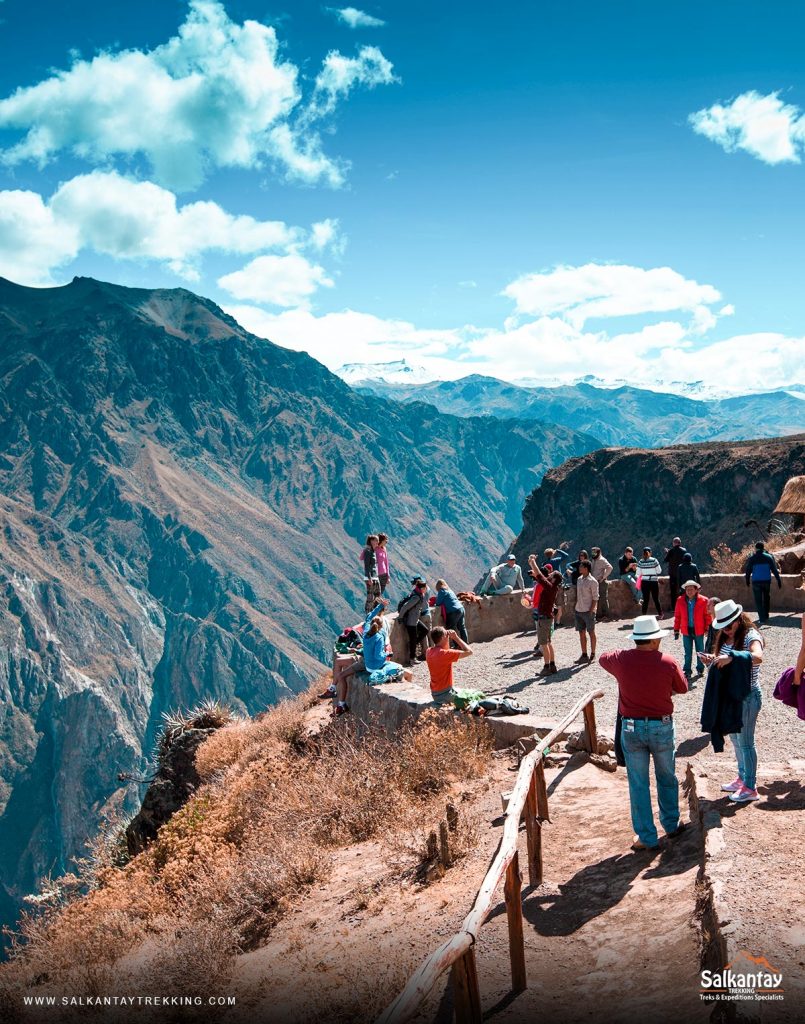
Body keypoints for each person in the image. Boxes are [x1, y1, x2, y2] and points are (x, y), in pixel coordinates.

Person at [600, 616, 688, 851]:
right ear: (656, 640)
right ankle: (671, 824)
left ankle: (646, 837)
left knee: (638, 783)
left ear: (636, 639)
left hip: (631, 727)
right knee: (666, 776)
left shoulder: (621, 660)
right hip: (661, 726)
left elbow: (602, 657)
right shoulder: (668, 662)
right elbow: (683, 688)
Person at [700, 600, 764, 803]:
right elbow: (726, 660)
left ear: (738, 620)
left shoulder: (751, 636)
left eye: (728, 626)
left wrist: (733, 658)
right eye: (722, 627)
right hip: (733, 697)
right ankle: (743, 778)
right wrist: (714, 658)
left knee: (746, 743)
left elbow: (758, 656)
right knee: (736, 741)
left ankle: (750, 787)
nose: (725, 631)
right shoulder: (728, 638)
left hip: (747, 695)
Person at [333, 600, 413, 716]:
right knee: (404, 671)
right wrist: (387, 655)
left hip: (366, 664)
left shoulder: (365, 634)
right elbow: (378, 656)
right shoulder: (379, 637)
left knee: (343, 674)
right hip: (375, 667)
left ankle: (339, 701)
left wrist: (380, 606)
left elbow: (369, 616)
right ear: (381, 627)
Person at [528, 555, 562, 675]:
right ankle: (552, 665)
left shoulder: (549, 587)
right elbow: (540, 577)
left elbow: (539, 576)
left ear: (553, 580)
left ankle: (546, 667)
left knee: (543, 643)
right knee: (548, 642)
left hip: (543, 618)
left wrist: (532, 562)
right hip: (549, 617)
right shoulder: (553, 588)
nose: (549, 575)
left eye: (551, 576)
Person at [673, 581, 711, 682]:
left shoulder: (704, 600)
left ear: (696, 590)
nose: (689, 591)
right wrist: (676, 630)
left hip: (699, 630)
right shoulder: (680, 600)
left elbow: (707, 617)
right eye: (687, 589)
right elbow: (677, 616)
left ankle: (700, 669)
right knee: (687, 652)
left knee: (700, 651)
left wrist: (708, 629)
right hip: (686, 631)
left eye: (691, 589)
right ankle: (687, 671)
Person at [426, 626, 473, 705]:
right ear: (442, 637)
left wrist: (445, 637)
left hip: (435, 694)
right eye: (446, 635)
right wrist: (456, 638)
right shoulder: (444, 654)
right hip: (446, 694)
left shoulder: (429, 651)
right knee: (474, 698)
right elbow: (469, 651)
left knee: (464, 691)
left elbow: (444, 649)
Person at [744, 541, 782, 625]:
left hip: (756, 581)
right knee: (766, 598)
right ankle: (766, 615)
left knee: (758, 600)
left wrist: (747, 580)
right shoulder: (769, 557)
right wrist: (778, 580)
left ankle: (762, 619)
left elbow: (748, 570)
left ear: (756, 548)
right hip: (766, 581)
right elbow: (774, 570)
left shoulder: (752, 558)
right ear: (763, 547)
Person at [398, 576, 431, 665]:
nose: (426, 589)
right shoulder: (416, 597)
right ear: (421, 588)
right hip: (411, 622)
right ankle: (412, 659)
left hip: (415, 620)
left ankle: (413, 643)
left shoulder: (419, 594)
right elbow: (405, 607)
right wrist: (400, 617)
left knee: (425, 630)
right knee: (413, 639)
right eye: (425, 588)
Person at [573, 560, 599, 664]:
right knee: (581, 633)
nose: (579, 568)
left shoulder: (593, 581)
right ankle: (584, 654)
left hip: (588, 611)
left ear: (586, 568)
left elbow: (595, 597)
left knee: (591, 632)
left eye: (581, 566)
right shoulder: (579, 579)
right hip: (578, 610)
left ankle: (592, 653)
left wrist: (591, 610)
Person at [637, 547, 662, 616]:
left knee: (645, 600)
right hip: (653, 581)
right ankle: (660, 614)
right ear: (650, 552)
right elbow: (659, 571)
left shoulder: (640, 562)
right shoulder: (654, 560)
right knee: (656, 599)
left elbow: (638, 573)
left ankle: (643, 615)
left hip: (644, 582)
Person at [590, 547, 613, 620]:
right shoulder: (594, 560)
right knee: (596, 599)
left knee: (603, 599)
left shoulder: (602, 560)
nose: (593, 554)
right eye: (592, 552)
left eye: (594, 552)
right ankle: (598, 616)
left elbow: (610, 568)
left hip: (601, 582)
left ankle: (606, 615)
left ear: (598, 552)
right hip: (594, 582)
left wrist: (603, 577)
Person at [360, 534, 381, 613]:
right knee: (370, 598)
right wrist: (369, 578)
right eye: (376, 541)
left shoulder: (373, 550)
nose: (378, 542)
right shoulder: (367, 551)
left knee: (377, 595)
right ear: (371, 541)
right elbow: (367, 565)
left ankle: (376, 612)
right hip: (370, 577)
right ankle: (368, 614)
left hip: (375, 577)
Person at [664, 537, 688, 606]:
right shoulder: (684, 550)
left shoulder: (671, 551)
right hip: (681, 574)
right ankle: (683, 605)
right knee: (682, 590)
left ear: (674, 543)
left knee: (673, 591)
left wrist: (668, 553)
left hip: (673, 574)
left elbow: (666, 560)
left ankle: (674, 607)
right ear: (680, 543)